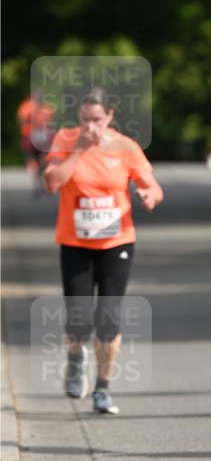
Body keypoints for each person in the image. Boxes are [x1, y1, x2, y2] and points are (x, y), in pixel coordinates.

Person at [43, 87, 163, 414]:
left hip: (116, 242)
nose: (90, 126)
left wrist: (149, 197)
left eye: (96, 119)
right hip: (75, 243)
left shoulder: (125, 147)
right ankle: (74, 359)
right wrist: (78, 150)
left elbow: (153, 187)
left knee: (109, 317)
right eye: (84, 119)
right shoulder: (66, 139)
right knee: (79, 319)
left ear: (110, 116)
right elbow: (51, 182)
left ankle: (102, 388)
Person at [17, 90, 55, 195]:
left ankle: (40, 181)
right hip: (30, 135)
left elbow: (50, 124)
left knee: (44, 159)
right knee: (32, 159)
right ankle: (37, 181)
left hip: (43, 136)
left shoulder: (47, 108)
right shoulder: (26, 107)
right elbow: (21, 120)